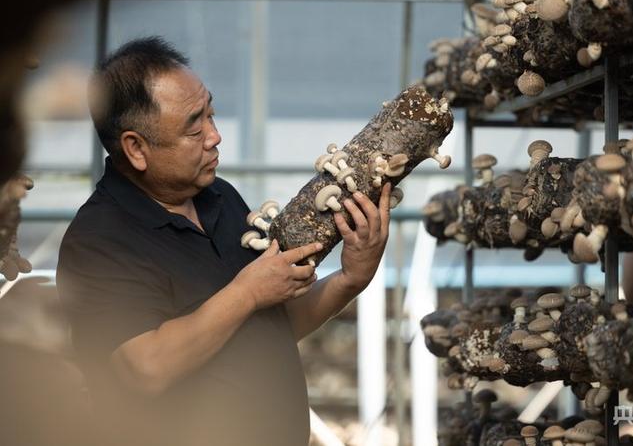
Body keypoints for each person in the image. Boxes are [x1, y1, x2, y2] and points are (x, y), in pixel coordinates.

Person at [56, 36, 390, 446]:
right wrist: (247, 292)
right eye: (194, 127)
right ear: (136, 148)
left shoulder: (221, 198)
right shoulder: (98, 242)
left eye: (211, 113)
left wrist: (349, 279)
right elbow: (143, 368)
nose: (214, 136)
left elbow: (273, 327)